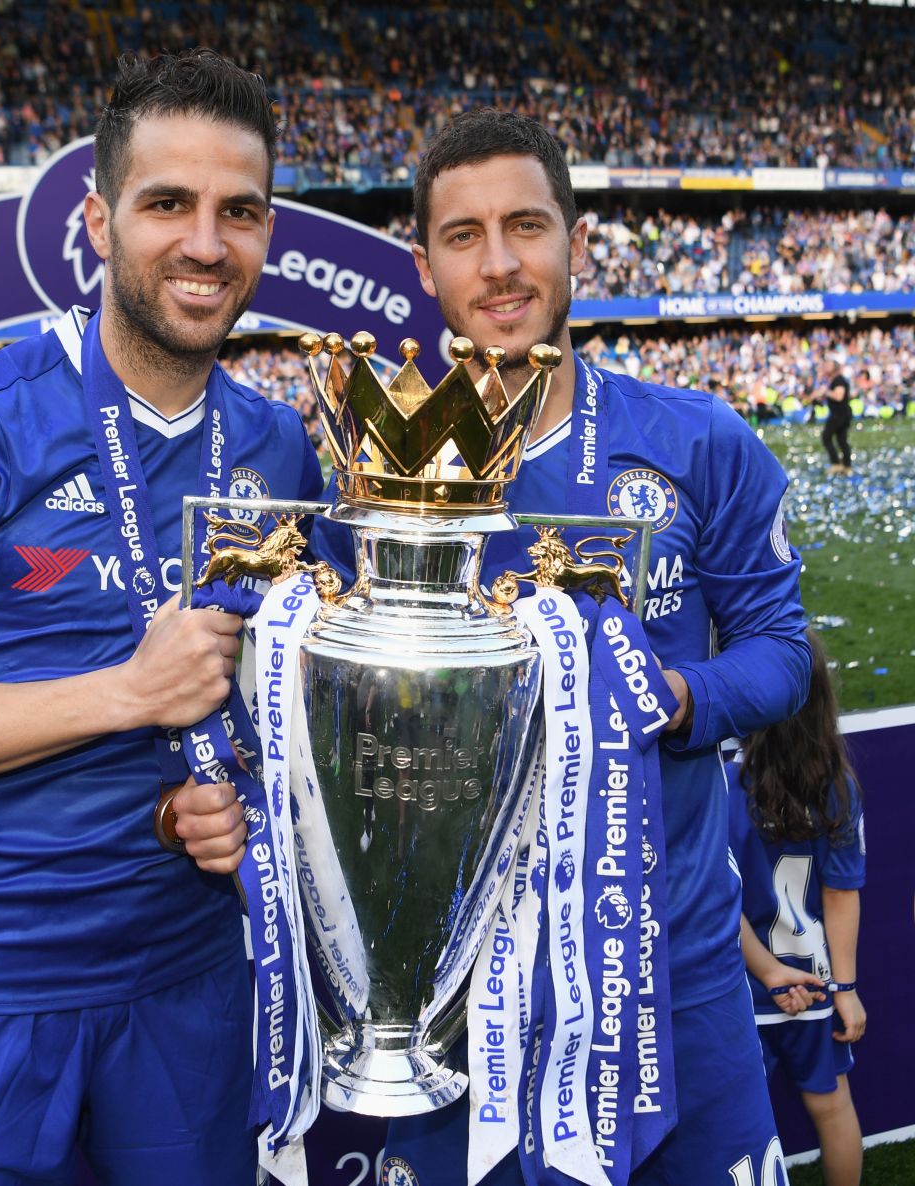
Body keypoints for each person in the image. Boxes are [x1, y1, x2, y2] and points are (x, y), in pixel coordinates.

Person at [174, 109, 813, 1185]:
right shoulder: (369, 486)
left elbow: (781, 653)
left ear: (577, 241)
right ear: (424, 265)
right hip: (444, 1007)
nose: (502, 263)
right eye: (465, 235)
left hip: (668, 981)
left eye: (527, 226)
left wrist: (676, 695)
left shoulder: (701, 443)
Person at [0, 50, 322, 1186]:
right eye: (167, 205)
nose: (205, 242)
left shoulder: (277, 447)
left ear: (266, 231)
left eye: (237, 211)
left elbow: (272, 700)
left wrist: (239, 792)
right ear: (99, 221)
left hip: (191, 970)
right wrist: (128, 694)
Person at [728, 630, 866, 1186]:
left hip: (740, 983)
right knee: (832, 1107)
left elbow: (717, 898)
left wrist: (761, 968)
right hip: (812, 980)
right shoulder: (837, 786)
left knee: (736, 1125)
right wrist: (846, 990)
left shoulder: (725, 782)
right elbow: (841, 896)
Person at [821, 366, 853, 475]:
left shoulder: (838, 380)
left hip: (839, 414)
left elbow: (839, 396)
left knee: (826, 436)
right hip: (842, 413)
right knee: (842, 440)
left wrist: (826, 392)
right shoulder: (835, 380)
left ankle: (836, 464)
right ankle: (846, 466)